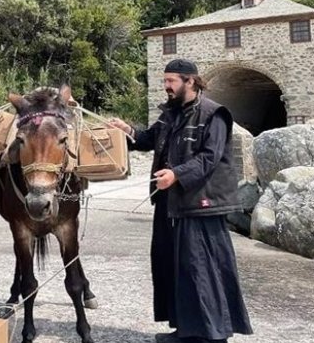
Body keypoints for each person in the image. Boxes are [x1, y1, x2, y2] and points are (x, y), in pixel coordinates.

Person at [108, 59, 252, 343]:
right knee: (175, 268)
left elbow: (209, 158)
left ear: (190, 81)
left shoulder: (214, 114)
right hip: (171, 203)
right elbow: (148, 138)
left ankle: (214, 335)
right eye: (165, 81)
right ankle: (187, 331)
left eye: (171, 81)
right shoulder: (170, 114)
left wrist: (176, 175)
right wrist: (127, 130)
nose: (167, 87)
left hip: (201, 204)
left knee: (202, 269)